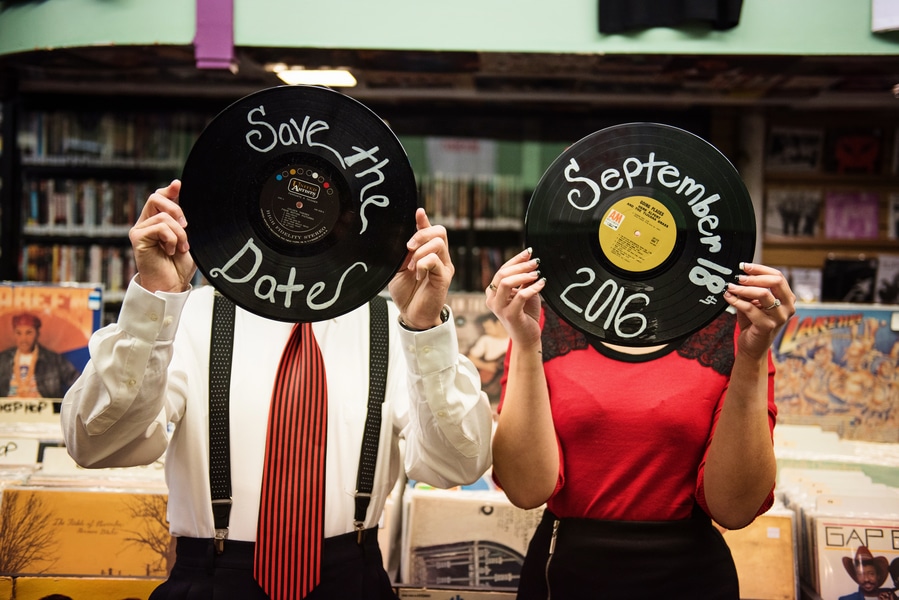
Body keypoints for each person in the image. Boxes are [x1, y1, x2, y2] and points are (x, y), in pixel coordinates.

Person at [61, 180, 494, 599]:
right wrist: (154, 301)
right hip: (212, 576)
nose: (304, 218)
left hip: (351, 577)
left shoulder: (393, 326)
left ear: (356, 219)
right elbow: (95, 444)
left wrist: (422, 330)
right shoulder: (188, 317)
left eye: (328, 203)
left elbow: (459, 465)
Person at [485, 248, 796, 599]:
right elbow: (525, 491)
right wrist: (525, 344)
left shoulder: (739, 334)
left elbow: (735, 509)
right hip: (564, 574)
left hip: (690, 579)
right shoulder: (537, 326)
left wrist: (752, 356)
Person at [0, 312, 80, 399]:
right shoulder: (3, 359)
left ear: (37, 334)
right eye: (19, 333)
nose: (23, 339)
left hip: (43, 410)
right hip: (7, 410)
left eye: (29, 333)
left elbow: (79, 383)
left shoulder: (53, 360)